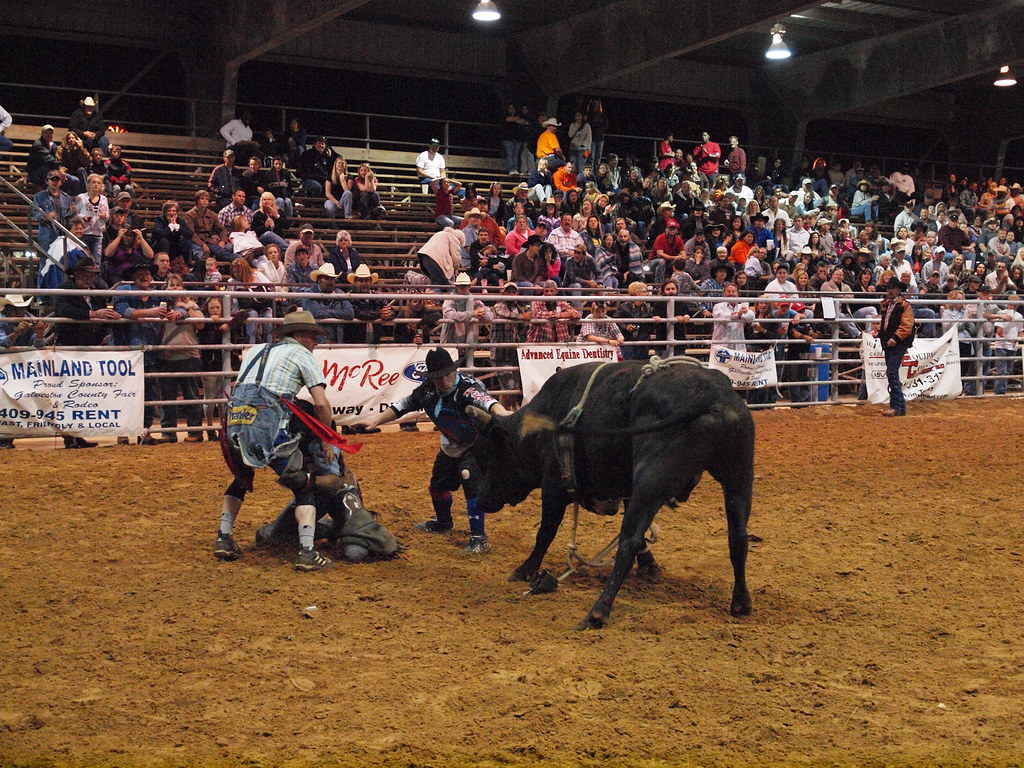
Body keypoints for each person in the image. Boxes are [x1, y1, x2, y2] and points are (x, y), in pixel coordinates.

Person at [217, 311, 343, 571]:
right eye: (312, 336)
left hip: (235, 423)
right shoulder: (302, 354)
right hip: (269, 427)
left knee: (242, 477)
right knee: (304, 484)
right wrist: (326, 439)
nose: (315, 342)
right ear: (298, 335)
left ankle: (224, 537)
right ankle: (307, 552)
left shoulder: (255, 350)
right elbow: (321, 404)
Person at [357, 347, 510, 554]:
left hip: (478, 444)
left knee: (468, 476)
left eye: (447, 374)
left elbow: (488, 402)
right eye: (438, 377)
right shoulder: (427, 391)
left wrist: (503, 414)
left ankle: (479, 537)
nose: (444, 380)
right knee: (437, 486)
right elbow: (402, 405)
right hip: (451, 444)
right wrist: (375, 421)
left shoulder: (467, 388)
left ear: (454, 371)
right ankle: (444, 522)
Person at [158, 273, 205, 442]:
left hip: (188, 354)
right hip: (166, 355)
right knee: (167, 397)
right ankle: (168, 432)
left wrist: (186, 308)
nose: (175, 288)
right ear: (166, 288)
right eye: (171, 285)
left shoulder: (191, 304)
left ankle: (195, 432)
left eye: (177, 285)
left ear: (183, 287)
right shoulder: (161, 305)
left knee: (191, 395)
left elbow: (201, 323)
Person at [875, 276, 916, 417]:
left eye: (892, 288)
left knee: (892, 372)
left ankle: (896, 406)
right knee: (892, 373)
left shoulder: (903, 306)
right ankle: (899, 407)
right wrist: (880, 333)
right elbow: (888, 324)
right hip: (890, 342)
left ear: (898, 290)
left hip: (897, 343)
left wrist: (895, 338)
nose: (890, 290)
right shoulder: (889, 305)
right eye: (889, 288)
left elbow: (906, 326)